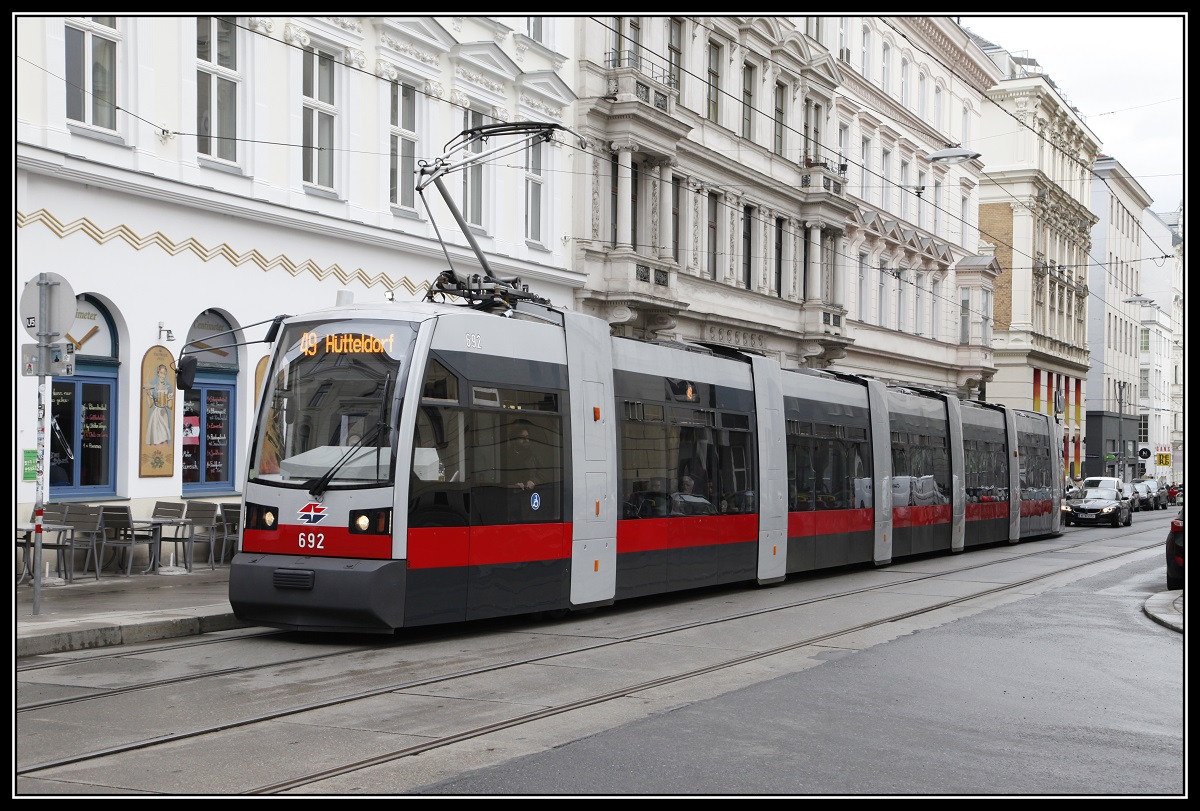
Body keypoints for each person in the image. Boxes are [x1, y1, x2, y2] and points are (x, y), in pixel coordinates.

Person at [504, 420, 548, 492]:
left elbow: (543, 475)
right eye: (522, 437)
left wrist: (533, 481)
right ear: (514, 440)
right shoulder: (506, 457)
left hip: (531, 494)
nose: (526, 440)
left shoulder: (534, 456)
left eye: (527, 437)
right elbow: (504, 477)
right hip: (512, 494)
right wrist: (514, 484)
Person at [144, 363, 174, 446]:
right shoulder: (153, 388)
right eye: (161, 373)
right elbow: (150, 405)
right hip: (156, 413)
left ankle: (163, 451)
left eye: (164, 373)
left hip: (163, 414)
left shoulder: (169, 388)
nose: (163, 376)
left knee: (164, 437)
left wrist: (168, 398)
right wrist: (147, 393)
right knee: (155, 437)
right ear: (158, 373)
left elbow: (170, 406)